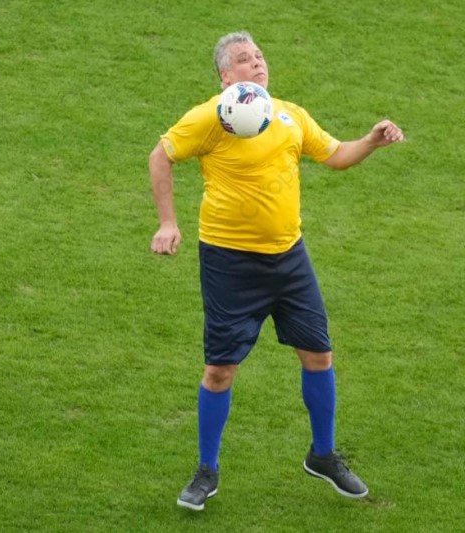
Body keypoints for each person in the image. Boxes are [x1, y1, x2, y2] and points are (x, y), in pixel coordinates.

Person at [148, 31, 404, 511]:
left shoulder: (290, 115)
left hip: (289, 258)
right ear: (226, 75)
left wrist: (371, 140)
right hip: (229, 263)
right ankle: (206, 470)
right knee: (220, 370)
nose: (258, 63)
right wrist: (167, 222)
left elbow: (336, 156)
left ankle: (322, 455)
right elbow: (160, 155)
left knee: (319, 354)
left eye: (260, 56)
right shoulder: (208, 118)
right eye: (245, 59)